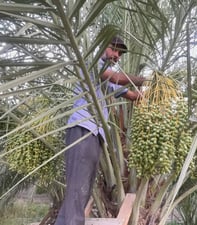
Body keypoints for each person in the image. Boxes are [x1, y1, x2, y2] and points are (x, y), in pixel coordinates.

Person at [54, 36, 145, 225]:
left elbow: (132, 96)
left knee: (83, 188)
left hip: (95, 135)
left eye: (120, 53)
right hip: (82, 129)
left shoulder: (106, 80)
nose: (117, 56)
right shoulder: (90, 62)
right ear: (103, 47)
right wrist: (145, 79)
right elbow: (118, 78)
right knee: (77, 187)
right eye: (114, 50)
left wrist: (154, 93)